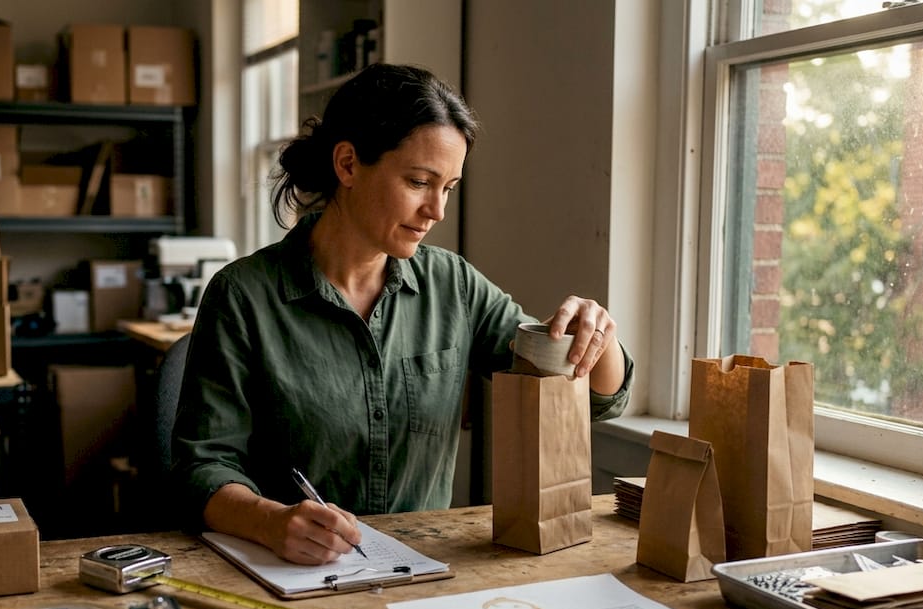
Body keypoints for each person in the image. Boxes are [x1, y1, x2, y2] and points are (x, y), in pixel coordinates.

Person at [172, 63, 633, 565]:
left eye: (449, 188)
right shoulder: (242, 296)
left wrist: (595, 335)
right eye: (419, 181)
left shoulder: (454, 286)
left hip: (424, 569)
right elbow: (203, 466)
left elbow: (591, 398)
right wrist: (270, 521)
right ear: (347, 164)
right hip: (292, 572)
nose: (437, 210)